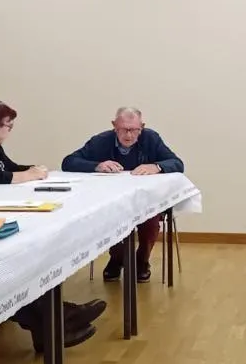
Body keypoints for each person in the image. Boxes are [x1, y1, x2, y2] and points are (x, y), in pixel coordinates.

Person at [0, 99, 105, 351]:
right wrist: (27, 175)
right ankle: (60, 319)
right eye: (8, 126)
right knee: (11, 266)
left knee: (26, 260)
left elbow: (9, 167)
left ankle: (60, 317)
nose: (10, 131)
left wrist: (34, 169)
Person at [61, 107, 184, 282]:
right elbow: (68, 162)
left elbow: (177, 163)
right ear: (114, 126)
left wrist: (156, 166)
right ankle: (117, 258)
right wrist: (97, 165)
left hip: (146, 201)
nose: (129, 135)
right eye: (124, 129)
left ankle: (142, 260)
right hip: (112, 201)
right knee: (112, 218)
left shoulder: (151, 138)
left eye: (134, 130)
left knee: (150, 220)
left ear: (142, 127)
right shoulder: (101, 141)